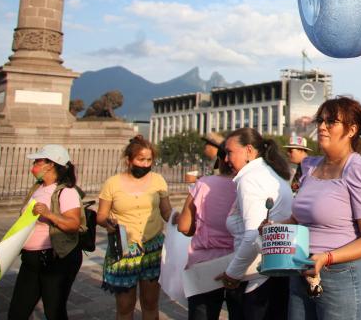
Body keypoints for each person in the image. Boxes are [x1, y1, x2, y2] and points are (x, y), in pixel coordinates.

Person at [283, 97, 361, 320]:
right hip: (302, 270)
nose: (321, 127)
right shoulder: (309, 166)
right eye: (320, 120)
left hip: (343, 277)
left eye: (331, 122)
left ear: (351, 130)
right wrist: (275, 228)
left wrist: (326, 258)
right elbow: (298, 218)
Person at [216, 128, 293, 319]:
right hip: (272, 272)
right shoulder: (270, 173)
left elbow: (253, 234)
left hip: (257, 279)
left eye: (230, 152)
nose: (226, 159)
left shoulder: (250, 178)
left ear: (249, 150)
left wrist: (231, 274)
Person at [96, 135, 172, 320]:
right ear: (129, 160)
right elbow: (101, 216)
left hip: (152, 247)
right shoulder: (112, 183)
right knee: (125, 306)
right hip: (124, 248)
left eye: (149, 160)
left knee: (151, 303)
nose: (145, 164)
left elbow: (166, 212)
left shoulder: (158, 180)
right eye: (140, 159)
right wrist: (108, 224)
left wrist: (184, 217)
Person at [7, 144, 83, 319]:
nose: (34, 164)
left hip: (54, 260)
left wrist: (49, 214)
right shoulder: (37, 189)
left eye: (38, 160)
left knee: (54, 312)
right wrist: (5, 246)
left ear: (51, 164)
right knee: (17, 311)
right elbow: (24, 224)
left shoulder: (67, 191)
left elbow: (73, 224)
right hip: (30, 260)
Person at [175, 143, 237, 319]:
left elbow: (184, 226)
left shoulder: (203, 184)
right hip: (238, 261)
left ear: (220, 160)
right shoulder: (246, 186)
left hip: (204, 262)